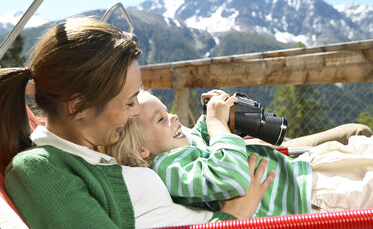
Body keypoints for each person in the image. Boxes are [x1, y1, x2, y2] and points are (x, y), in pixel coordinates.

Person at [0, 17, 273, 229]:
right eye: (129, 103)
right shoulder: (42, 171)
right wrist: (234, 215)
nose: (134, 113)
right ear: (78, 105)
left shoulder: (94, 146)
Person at [113, 89, 373, 218]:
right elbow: (228, 177)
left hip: (303, 174)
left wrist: (212, 114)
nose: (174, 116)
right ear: (140, 151)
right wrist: (217, 125)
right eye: (161, 119)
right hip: (309, 197)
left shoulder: (179, 149)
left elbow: (205, 142)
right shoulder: (170, 169)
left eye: (167, 109)